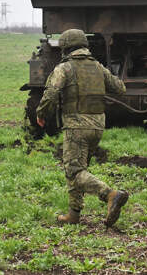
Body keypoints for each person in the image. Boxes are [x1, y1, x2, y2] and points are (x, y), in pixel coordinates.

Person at [36, 29, 128, 226]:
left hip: (76, 126)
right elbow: (120, 88)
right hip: (98, 126)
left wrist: (42, 114)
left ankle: (110, 194)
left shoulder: (65, 68)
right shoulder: (98, 67)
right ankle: (74, 214)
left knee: (74, 171)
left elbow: (51, 93)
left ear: (65, 48)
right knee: (78, 169)